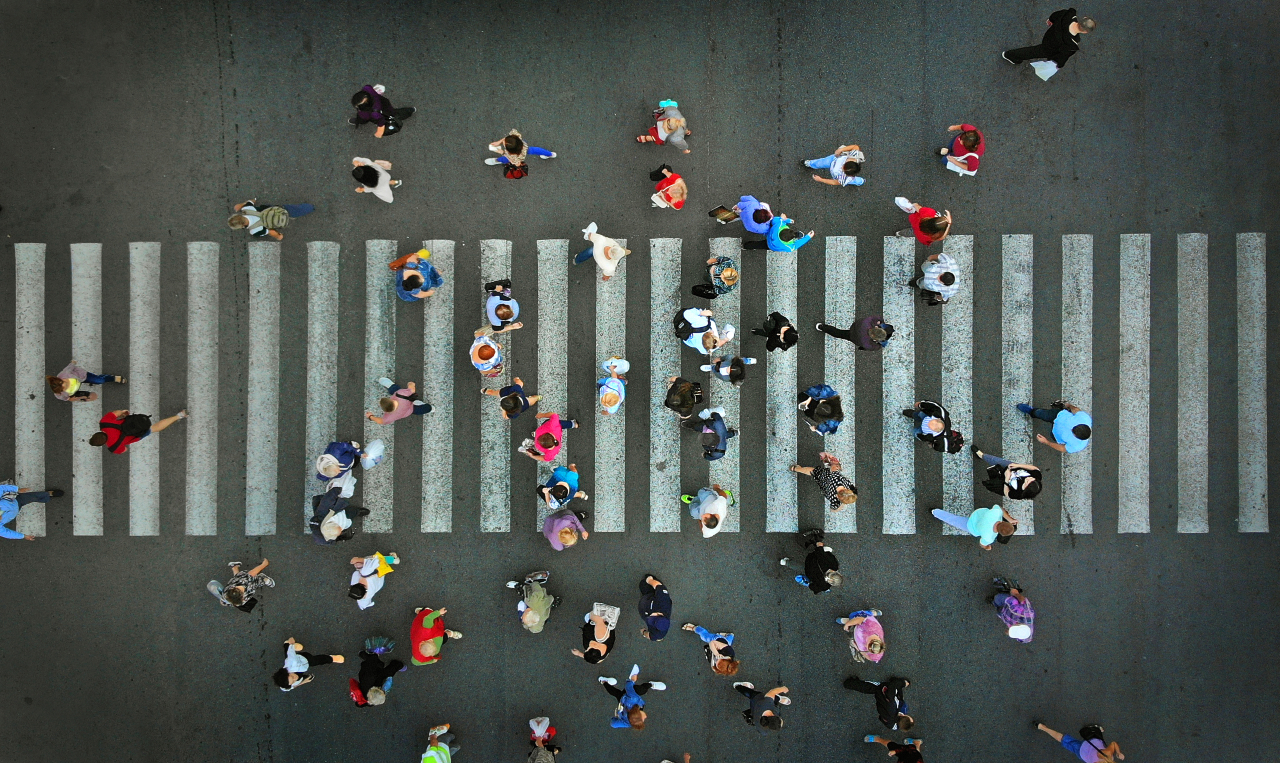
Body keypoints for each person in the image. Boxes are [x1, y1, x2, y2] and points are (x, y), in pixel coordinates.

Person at [1003, 10, 1096, 71]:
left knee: (1033, 51)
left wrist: (1051, 19)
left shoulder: (1069, 15)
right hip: (1049, 47)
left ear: (1083, 18)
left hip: (1049, 34)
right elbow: (1062, 57)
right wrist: (1058, 65)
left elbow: (1057, 14)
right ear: (1085, 32)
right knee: (1032, 52)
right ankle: (1010, 55)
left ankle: (1011, 56)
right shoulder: (1071, 44)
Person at [89, 409, 186, 454]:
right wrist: (124, 412)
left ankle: (180, 415)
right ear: (97, 433)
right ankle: (180, 414)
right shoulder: (104, 423)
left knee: (154, 428)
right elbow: (117, 413)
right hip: (134, 420)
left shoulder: (114, 447)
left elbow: (125, 450)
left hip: (138, 433)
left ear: (102, 444)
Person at [600, 665, 667, 730]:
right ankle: (603, 681)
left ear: (637, 712)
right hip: (622, 702)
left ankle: (651, 684)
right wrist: (615, 718)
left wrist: (632, 680)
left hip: (628, 696)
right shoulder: (628, 723)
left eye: (643, 718)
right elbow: (613, 724)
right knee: (616, 693)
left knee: (640, 690)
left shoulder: (633, 699)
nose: (645, 717)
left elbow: (628, 687)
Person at [780, 528, 842, 593]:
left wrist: (820, 546)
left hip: (811, 557)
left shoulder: (834, 565)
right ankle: (785, 562)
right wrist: (809, 584)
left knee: (822, 548)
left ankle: (810, 540)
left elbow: (822, 554)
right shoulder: (824, 586)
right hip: (808, 570)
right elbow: (813, 587)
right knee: (800, 567)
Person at [1017, 400, 1093, 454]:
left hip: (1055, 434)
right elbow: (1076, 409)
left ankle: (1034, 412)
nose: (1071, 428)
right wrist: (1068, 405)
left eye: (1072, 432)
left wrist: (1047, 442)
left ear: (1076, 436)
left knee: (1051, 432)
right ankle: (1032, 411)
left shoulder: (1078, 446)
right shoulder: (1085, 418)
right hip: (1057, 415)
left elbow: (1063, 448)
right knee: (1041, 413)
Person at [930, 505, 1018, 550]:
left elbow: (999, 508)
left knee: (953, 519)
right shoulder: (989, 537)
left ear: (1003, 521)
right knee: (954, 520)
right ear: (1000, 533)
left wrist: (1010, 519)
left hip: (977, 514)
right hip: (971, 526)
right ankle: (935, 512)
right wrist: (987, 547)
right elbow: (982, 544)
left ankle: (935, 511)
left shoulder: (996, 513)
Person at [790, 452, 857, 511]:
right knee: (816, 475)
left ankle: (796, 468)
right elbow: (833, 509)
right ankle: (796, 469)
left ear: (847, 489)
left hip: (826, 476)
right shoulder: (835, 501)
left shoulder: (837, 480)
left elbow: (834, 468)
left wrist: (832, 461)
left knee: (813, 471)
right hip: (824, 486)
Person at [273, 637, 344, 692]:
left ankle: (331, 658)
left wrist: (291, 643)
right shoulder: (285, 686)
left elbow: (290, 653)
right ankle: (287, 645)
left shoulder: (292, 661)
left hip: (303, 659)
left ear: (287, 672)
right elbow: (291, 687)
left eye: (292, 677)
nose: (295, 678)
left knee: (316, 660)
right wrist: (304, 681)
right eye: (293, 681)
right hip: (300, 667)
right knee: (287, 656)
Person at [349, 640, 406, 707]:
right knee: (387, 671)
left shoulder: (368, 679)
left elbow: (370, 666)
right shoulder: (369, 700)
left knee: (378, 664)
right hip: (376, 678)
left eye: (381, 692)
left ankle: (368, 656)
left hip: (371, 672)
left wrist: (376, 655)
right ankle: (397, 664)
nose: (384, 692)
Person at [972, 446, 1043, 500]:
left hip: (1004, 482)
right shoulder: (1037, 476)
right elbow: (1035, 469)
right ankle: (981, 455)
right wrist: (1017, 465)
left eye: (1027, 481)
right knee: (996, 460)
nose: (1028, 478)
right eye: (1032, 478)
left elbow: (1007, 493)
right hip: (1011, 467)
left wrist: (1007, 478)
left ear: (1026, 487)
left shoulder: (1019, 494)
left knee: (992, 479)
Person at [845, 676, 914, 731]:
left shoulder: (895, 704)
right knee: (871, 689)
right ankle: (851, 683)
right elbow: (881, 718)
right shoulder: (893, 726)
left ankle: (849, 683)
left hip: (883, 692)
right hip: (881, 705)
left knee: (870, 687)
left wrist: (903, 683)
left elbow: (892, 686)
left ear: (903, 716)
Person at [1034, 722, 1123, 762]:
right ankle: (1042, 727)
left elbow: (1113, 744)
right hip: (1082, 751)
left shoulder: (1108, 754)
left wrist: (1118, 753)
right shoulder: (1105, 757)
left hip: (1093, 743)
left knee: (1095, 735)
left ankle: (1095, 729)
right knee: (1063, 739)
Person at [227, 199, 313, 240]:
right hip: (278, 210)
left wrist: (279, 236)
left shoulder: (254, 231)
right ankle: (309, 207)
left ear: (242, 226)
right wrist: (241, 204)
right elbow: (253, 200)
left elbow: (271, 232)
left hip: (278, 221)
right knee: (301, 209)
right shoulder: (246, 209)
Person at [207, 559, 273, 612]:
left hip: (243, 578)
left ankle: (264, 579)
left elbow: (252, 573)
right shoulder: (227, 592)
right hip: (239, 579)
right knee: (238, 578)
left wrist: (264, 564)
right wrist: (264, 564)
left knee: (253, 581)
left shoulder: (236, 600)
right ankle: (234, 567)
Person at [349, 84, 415, 137]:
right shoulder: (367, 88)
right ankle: (410, 110)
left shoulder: (374, 114)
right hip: (385, 105)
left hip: (379, 112)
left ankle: (409, 111)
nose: (356, 107)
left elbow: (381, 121)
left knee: (395, 115)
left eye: (358, 106)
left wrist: (379, 132)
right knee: (394, 113)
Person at [47, 361, 124, 402]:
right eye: (64, 388)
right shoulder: (59, 394)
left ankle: (112, 378)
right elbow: (62, 397)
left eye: (64, 382)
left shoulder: (66, 373)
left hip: (82, 376)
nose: (66, 385)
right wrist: (69, 399)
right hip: (77, 386)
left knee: (100, 380)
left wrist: (73, 362)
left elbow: (70, 367)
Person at [365, 377, 433, 425]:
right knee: (395, 389)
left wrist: (371, 417)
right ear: (390, 400)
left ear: (386, 411)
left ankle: (427, 407)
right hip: (407, 400)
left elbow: (380, 421)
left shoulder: (389, 417)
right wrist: (411, 384)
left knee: (423, 409)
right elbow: (412, 389)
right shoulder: (400, 394)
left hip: (409, 411)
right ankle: (389, 384)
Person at [991, 576, 1035, 642]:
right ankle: (994, 600)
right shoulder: (1027, 613)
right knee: (998, 598)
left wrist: (1010, 632)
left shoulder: (1024, 638)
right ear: (1019, 624)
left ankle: (997, 605)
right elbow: (1023, 601)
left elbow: (1011, 633)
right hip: (1010, 602)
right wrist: (1016, 593)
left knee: (999, 611)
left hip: (1006, 615)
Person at [486, 129, 557, 168]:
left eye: (504, 144)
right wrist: (499, 142)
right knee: (535, 150)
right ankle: (550, 154)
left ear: (509, 151)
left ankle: (498, 160)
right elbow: (508, 138)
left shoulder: (512, 155)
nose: (503, 142)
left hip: (518, 156)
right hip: (524, 147)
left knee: (505, 159)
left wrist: (502, 152)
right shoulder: (516, 137)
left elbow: (516, 163)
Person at [742, 214, 814, 252]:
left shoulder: (779, 226)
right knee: (760, 246)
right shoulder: (787, 246)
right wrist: (807, 237)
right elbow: (795, 246)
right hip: (771, 246)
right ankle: (745, 247)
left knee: (758, 244)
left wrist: (786, 220)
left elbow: (775, 220)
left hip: (770, 235)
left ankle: (746, 245)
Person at [818, 314, 894, 350]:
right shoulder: (867, 343)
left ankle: (822, 326)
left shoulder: (866, 322)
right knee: (838, 333)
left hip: (855, 327)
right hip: (852, 337)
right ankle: (822, 327)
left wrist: (878, 322)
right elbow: (876, 347)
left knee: (839, 332)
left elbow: (878, 317)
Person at [638, 575, 672, 641]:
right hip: (650, 596)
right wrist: (649, 580)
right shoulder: (664, 602)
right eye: (655, 616)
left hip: (643, 608)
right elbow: (658, 586)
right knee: (643, 584)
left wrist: (644, 632)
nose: (651, 617)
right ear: (661, 614)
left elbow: (650, 636)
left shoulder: (659, 634)